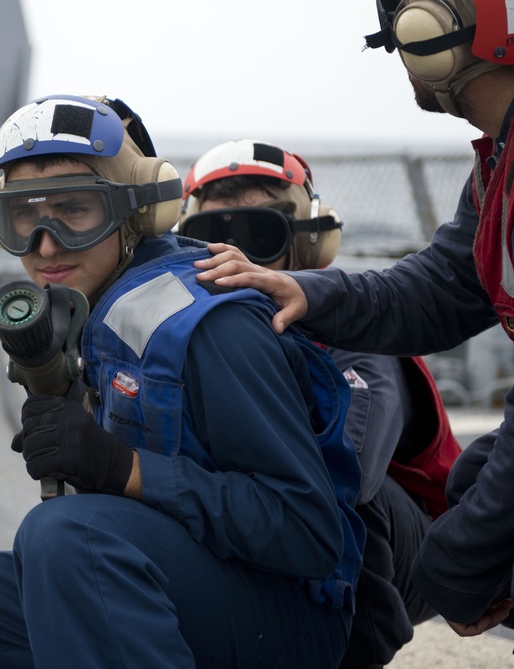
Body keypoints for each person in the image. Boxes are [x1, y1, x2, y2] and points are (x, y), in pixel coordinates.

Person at [0, 94, 366, 667]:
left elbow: (306, 533)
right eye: (23, 215)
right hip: (163, 572)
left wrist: (126, 470)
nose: (44, 243)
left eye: (74, 210)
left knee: (64, 536)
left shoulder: (214, 327)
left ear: (134, 211)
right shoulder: (99, 312)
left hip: (286, 617)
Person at [194, 0, 514, 640]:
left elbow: (344, 475)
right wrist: (308, 294)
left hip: (387, 542)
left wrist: (463, 555)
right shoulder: (497, 170)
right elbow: (439, 289)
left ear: (432, 28)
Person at [178, 138, 464, 668]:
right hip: (268, 522)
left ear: (306, 246)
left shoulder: (353, 328)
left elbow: (352, 470)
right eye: (211, 237)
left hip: (420, 552)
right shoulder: (191, 334)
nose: (232, 257)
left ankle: (356, 648)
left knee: (342, 494)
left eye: (255, 236)